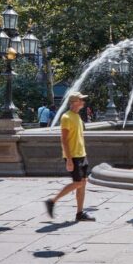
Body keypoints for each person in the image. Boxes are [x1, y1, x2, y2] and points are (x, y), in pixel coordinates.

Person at [44, 92, 94, 222]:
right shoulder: (66, 117)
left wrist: (84, 153)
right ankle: (52, 201)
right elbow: (64, 140)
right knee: (78, 183)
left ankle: (80, 213)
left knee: (82, 184)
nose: (83, 101)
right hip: (73, 156)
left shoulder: (77, 116)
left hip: (82, 155)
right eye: (81, 99)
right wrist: (69, 159)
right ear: (74, 102)